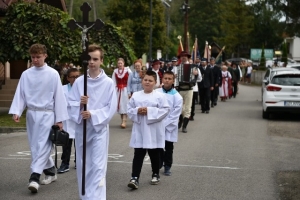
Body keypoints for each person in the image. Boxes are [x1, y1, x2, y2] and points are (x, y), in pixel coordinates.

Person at [9, 43, 69, 193]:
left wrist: (59, 119)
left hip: (48, 114)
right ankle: (50, 171)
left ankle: (34, 177)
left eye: (38, 57)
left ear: (45, 56)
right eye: (33, 57)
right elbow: (21, 94)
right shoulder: (26, 74)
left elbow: (59, 97)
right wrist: (17, 111)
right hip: (32, 114)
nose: (35, 60)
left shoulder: (53, 74)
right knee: (35, 146)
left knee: (43, 145)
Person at [68, 44, 117, 200]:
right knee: (83, 163)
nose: (92, 62)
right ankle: (85, 196)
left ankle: (96, 197)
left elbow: (111, 107)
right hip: (82, 128)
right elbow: (70, 103)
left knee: (97, 165)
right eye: (89, 59)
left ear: (101, 60)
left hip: (98, 128)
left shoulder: (108, 83)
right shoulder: (79, 81)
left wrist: (93, 114)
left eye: (95, 59)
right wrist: (81, 103)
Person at [127, 71, 170, 189]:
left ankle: (155, 173)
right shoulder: (136, 95)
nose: (147, 82)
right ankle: (134, 177)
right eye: (145, 80)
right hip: (140, 129)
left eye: (150, 80)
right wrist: (137, 111)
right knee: (138, 154)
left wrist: (149, 111)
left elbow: (165, 110)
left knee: (154, 153)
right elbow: (129, 109)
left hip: (153, 130)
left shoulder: (160, 96)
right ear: (142, 81)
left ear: (155, 83)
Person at [156, 71, 183, 176]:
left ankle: (167, 166)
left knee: (168, 147)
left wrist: (164, 124)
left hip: (169, 126)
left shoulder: (177, 97)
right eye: (165, 78)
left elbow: (175, 115)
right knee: (157, 146)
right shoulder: (157, 92)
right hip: (157, 123)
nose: (167, 80)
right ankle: (159, 161)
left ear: (173, 81)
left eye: (169, 79)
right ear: (162, 79)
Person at [57, 68, 80, 173]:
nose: (75, 79)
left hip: (79, 119)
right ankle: (65, 163)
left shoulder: (84, 89)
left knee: (79, 142)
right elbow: (61, 103)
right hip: (67, 119)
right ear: (68, 78)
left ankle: (78, 162)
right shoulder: (63, 89)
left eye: (77, 76)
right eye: (73, 77)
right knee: (66, 143)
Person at [177, 51, 200, 133]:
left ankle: (184, 126)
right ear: (180, 58)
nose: (183, 57)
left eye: (185, 56)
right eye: (182, 56)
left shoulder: (193, 66)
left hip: (189, 89)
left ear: (188, 57)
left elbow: (199, 78)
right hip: (179, 89)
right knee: (179, 107)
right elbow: (172, 77)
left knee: (188, 108)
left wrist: (196, 74)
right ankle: (180, 121)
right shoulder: (177, 66)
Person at [112, 58, 132, 128]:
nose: (120, 64)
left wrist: (130, 90)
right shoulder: (115, 71)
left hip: (126, 89)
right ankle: (122, 120)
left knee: (125, 104)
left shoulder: (127, 70)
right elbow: (113, 82)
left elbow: (131, 80)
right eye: (119, 63)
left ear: (123, 63)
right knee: (120, 105)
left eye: (121, 63)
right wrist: (114, 91)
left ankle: (124, 121)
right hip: (118, 90)